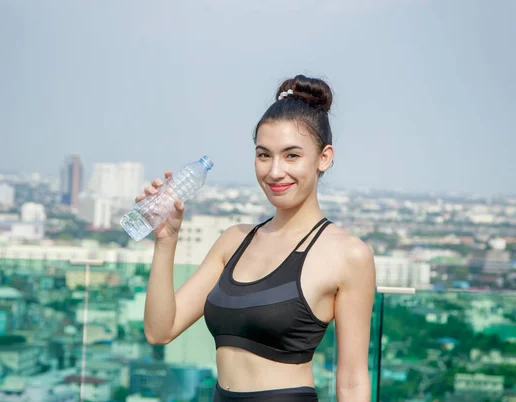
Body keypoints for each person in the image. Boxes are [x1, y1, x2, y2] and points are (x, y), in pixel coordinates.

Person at [140, 74, 375, 401]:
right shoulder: (233, 241)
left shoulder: (347, 255)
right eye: (264, 155)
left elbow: (352, 380)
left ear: (324, 158)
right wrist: (165, 242)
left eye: (291, 155)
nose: (275, 171)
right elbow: (159, 330)